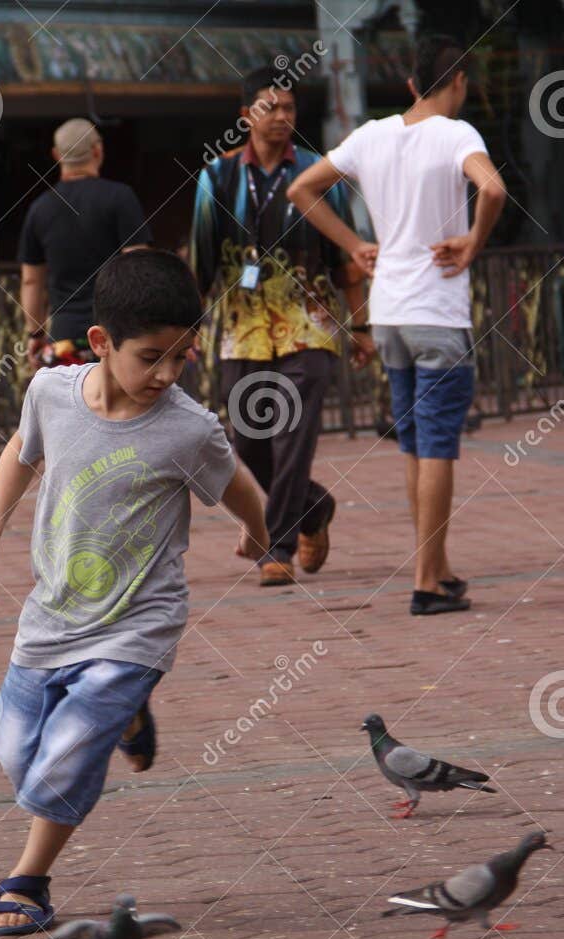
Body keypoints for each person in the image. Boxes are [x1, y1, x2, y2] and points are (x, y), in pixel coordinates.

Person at [0, 249, 269, 935]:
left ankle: (28, 881)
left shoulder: (188, 427)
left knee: (67, 753)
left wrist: (260, 530)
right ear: (101, 342)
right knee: (12, 747)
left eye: (180, 358)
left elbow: (237, 483)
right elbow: (21, 450)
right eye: (150, 356)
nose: (166, 374)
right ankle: (126, 719)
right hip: (53, 615)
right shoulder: (51, 393)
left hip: (138, 625)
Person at [289, 34, 507, 615]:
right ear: (458, 80)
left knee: (414, 443)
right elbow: (493, 187)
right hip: (436, 312)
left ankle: (435, 568)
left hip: (387, 314)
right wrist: (472, 243)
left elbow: (301, 188)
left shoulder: (372, 134)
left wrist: (356, 245)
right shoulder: (457, 134)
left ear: (411, 84)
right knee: (437, 444)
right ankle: (425, 581)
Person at [193, 66, 371, 588]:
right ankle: (314, 509)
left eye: (290, 108)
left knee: (293, 436)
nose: (281, 117)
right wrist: (187, 327)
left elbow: (347, 257)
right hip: (241, 327)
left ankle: (280, 547)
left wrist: (360, 325)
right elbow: (202, 263)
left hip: (309, 325)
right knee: (247, 444)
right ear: (246, 115)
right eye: (270, 107)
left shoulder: (319, 174)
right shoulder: (217, 177)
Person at [18, 118, 151, 366]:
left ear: (57, 155)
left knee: (70, 403)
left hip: (65, 339)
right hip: (116, 336)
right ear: (98, 150)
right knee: (119, 405)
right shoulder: (120, 197)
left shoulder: (39, 210)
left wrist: (35, 333)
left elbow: (31, 280)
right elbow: (139, 268)